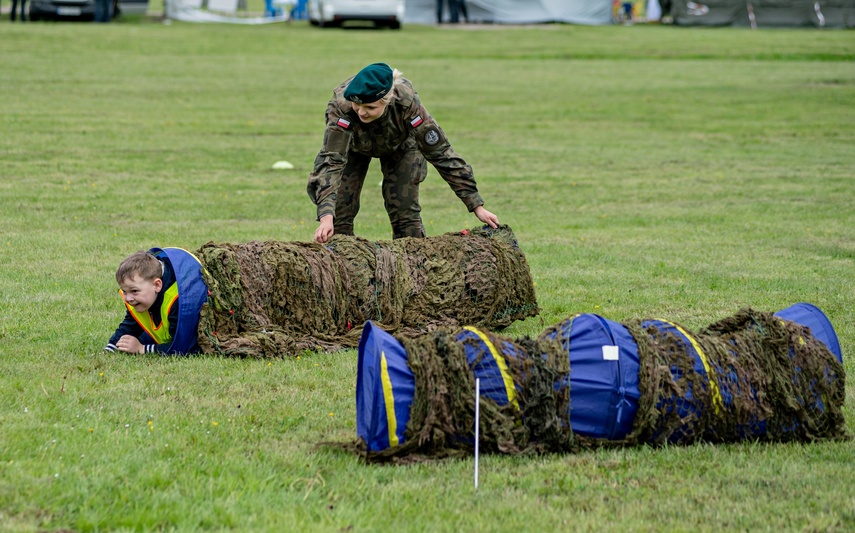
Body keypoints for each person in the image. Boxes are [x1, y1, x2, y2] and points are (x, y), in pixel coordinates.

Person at [307, 63, 499, 243]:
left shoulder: (407, 104)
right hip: (353, 147)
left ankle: (412, 271)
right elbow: (331, 161)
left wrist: (476, 205)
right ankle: (343, 269)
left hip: (401, 144)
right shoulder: (342, 107)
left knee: (404, 211)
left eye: (370, 107)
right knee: (339, 211)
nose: (362, 112)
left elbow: (441, 153)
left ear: (387, 100)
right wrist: (325, 217)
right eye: (358, 106)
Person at [105, 247, 208, 355]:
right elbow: (131, 324)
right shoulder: (139, 296)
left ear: (157, 285)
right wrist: (111, 347)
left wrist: (142, 348)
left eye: (134, 291)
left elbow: (183, 348)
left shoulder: (178, 301)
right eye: (124, 291)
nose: (128, 298)